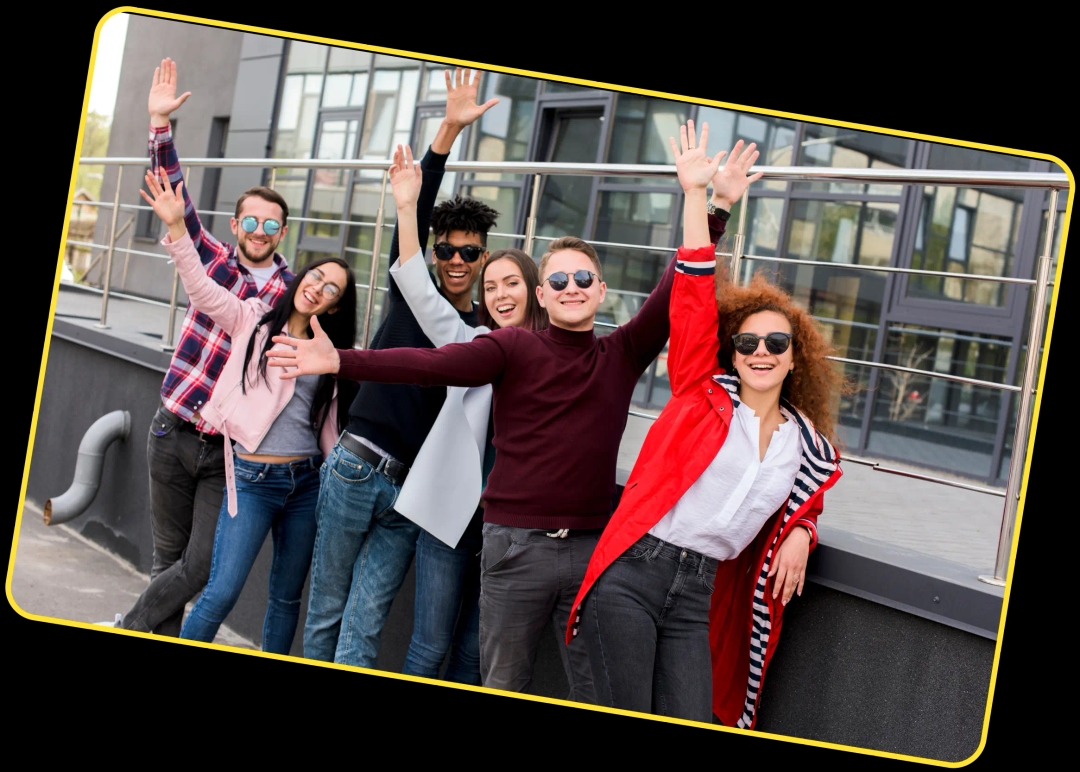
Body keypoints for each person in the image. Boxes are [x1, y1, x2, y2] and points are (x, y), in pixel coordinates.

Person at [264, 120, 757, 702]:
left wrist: (711, 202)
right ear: (541, 295)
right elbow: (433, 364)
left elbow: (680, 287)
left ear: (600, 291)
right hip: (514, 546)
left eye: (584, 278)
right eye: (558, 279)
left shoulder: (621, 353)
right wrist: (342, 361)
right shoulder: (514, 347)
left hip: (587, 551)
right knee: (502, 682)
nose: (571, 287)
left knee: (592, 689)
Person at [564, 122, 847, 727]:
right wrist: (699, 199)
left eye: (777, 341)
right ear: (732, 350)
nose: (761, 351)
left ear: (797, 356)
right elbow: (691, 299)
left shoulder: (807, 447)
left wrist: (803, 532)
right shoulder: (703, 393)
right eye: (747, 342)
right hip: (634, 576)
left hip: (698, 595)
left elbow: (805, 500)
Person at [300, 68, 502, 668]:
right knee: (327, 611)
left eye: (469, 252)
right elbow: (419, 199)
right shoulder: (411, 289)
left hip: (411, 492)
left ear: (484, 256)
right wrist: (447, 131)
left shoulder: (483, 335)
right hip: (358, 466)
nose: (457, 261)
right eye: (446, 250)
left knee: (365, 624)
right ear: (431, 254)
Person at [137, 167, 357, 652]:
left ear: (337, 307)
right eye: (316, 275)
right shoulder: (254, 319)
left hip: (305, 484)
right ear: (300, 275)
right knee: (219, 589)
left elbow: (331, 426)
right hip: (251, 479)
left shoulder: (335, 355)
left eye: (332, 289)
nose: (318, 287)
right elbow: (201, 288)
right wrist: (176, 228)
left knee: (285, 600)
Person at [113, 58, 296, 636]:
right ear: (236, 224)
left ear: (282, 233)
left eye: (271, 226)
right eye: (251, 222)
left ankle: (128, 625)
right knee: (166, 561)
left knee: (197, 569)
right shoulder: (211, 257)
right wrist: (158, 125)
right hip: (173, 429)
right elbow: (173, 195)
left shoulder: (291, 297)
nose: (259, 233)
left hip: (226, 454)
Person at [384, 143, 547, 685]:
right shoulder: (471, 338)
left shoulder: (556, 361)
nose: (499, 295)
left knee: (477, 654)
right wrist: (408, 208)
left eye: (512, 284)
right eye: (491, 285)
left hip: (514, 532)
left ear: (535, 292)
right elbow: (415, 283)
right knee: (429, 649)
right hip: (449, 519)